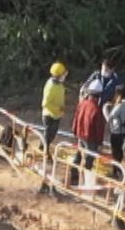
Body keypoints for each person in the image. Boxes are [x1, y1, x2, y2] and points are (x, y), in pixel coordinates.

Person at [38, 62, 68, 194]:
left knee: (52, 134)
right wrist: (58, 109)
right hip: (50, 115)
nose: (64, 76)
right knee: (48, 133)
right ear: (57, 75)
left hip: (57, 115)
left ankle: (43, 147)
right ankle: (45, 151)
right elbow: (45, 103)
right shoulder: (50, 86)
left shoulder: (59, 85)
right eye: (63, 74)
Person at [70, 87, 106, 175]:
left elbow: (76, 118)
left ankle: (73, 173)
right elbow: (99, 128)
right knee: (89, 158)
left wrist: (74, 130)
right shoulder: (96, 109)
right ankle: (85, 176)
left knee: (79, 153)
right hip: (90, 138)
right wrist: (99, 142)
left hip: (80, 134)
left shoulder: (82, 104)